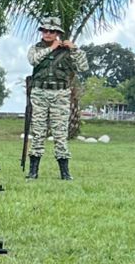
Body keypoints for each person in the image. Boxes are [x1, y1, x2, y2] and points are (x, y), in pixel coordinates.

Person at [25, 16, 88, 181]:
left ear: (57, 33)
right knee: (38, 132)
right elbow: (33, 60)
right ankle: (33, 172)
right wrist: (51, 48)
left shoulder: (67, 51)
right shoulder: (36, 48)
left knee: (60, 133)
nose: (47, 33)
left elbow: (83, 66)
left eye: (51, 31)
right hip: (40, 93)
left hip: (60, 95)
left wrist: (74, 49)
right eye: (45, 30)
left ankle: (65, 173)